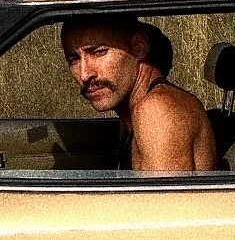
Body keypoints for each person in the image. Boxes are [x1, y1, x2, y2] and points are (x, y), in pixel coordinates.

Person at [60, 16, 218, 172]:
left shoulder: (157, 110)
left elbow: (162, 198)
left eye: (98, 52)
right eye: (74, 59)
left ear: (138, 47)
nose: (85, 74)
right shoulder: (131, 113)